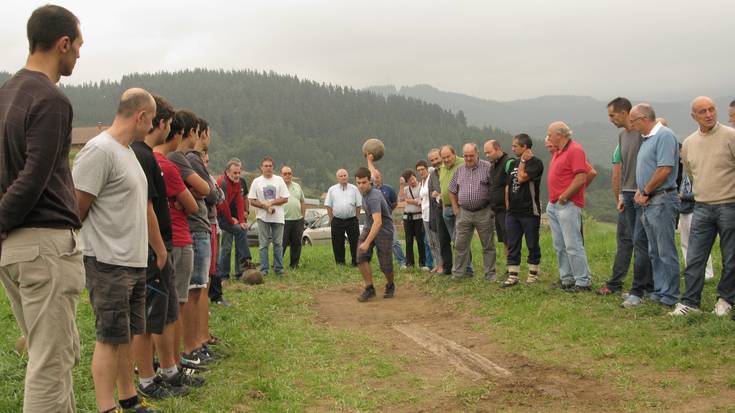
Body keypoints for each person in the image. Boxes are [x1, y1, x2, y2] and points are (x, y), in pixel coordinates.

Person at [0, 6, 84, 412]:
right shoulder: (51, 99)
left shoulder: (5, 95)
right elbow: (34, 178)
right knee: (50, 365)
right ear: (62, 43)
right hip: (43, 247)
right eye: (78, 45)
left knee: (55, 353)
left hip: (16, 250)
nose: (79, 55)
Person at [74, 88, 156, 413]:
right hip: (107, 262)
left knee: (126, 336)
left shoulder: (128, 152)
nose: (150, 127)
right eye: (150, 121)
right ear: (140, 117)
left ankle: (128, 398)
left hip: (132, 262)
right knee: (109, 338)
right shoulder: (99, 150)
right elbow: (76, 209)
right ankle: (106, 407)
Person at [131, 95, 196, 400]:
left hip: (162, 245)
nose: (170, 129)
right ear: (159, 123)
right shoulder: (142, 156)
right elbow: (146, 208)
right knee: (147, 319)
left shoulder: (147, 156)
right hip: (151, 249)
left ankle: (168, 371)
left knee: (167, 313)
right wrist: (158, 248)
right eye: (168, 123)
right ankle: (146, 378)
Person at [671, 97, 735, 316]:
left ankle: (725, 300)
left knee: (730, 257)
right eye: (702, 111)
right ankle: (690, 302)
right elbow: (690, 172)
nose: (708, 114)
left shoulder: (731, 136)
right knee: (695, 257)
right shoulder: (688, 143)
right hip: (702, 206)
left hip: (729, 205)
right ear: (694, 116)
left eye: (711, 109)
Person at [598, 97, 653, 298]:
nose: (611, 119)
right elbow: (623, 168)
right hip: (628, 193)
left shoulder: (642, 133)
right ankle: (637, 285)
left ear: (624, 112)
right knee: (628, 239)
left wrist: (645, 190)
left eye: (612, 115)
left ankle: (644, 288)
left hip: (642, 193)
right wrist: (621, 194)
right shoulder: (622, 136)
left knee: (641, 241)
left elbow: (660, 125)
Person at [628, 103, 680, 308]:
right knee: (654, 250)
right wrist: (641, 191)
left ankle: (671, 294)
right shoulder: (647, 139)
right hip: (649, 200)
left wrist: (647, 190)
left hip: (662, 199)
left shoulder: (665, 136)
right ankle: (660, 290)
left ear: (643, 118)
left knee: (665, 249)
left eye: (633, 121)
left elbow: (664, 169)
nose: (632, 125)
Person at [184, 117, 220, 362]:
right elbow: (213, 194)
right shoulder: (191, 159)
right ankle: (193, 345)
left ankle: (199, 341)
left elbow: (214, 192)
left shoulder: (194, 160)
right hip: (196, 228)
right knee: (195, 290)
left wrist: (209, 190)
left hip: (202, 227)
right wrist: (207, 190)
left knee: (201, 288)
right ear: (200, 133)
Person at [545, 123, 592, 292]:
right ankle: (567, 278)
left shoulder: (575, 150)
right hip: (554, 204)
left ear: (560, 135)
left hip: (567, 204)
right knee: (560, 245)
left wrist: (565, 196)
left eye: (550, 134)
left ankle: (582, 281)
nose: (548, 138)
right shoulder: (559, 151)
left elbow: (582, 177)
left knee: (573, 244)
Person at [448, 143, 497, 281]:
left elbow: (494, 188)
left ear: (477, 154)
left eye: (471, 156)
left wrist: (493, 209)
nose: (468, 158)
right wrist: (455, 208)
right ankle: (458, 274)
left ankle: (490, 275)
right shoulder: (459, 170)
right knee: (459, 245)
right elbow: (452, 190)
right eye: (466, 156)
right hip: (464, 213)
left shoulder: (487, 167)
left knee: (488, 245)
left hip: (484, 212)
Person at [503, 134, 544, 286]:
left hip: (529, 211)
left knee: (532, 243)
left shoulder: (536, 163)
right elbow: (508, 186)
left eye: (515, 146)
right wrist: (508, 208)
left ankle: (532, 275)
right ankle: (513, 276)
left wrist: (523, 161)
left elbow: (521, 178)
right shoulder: (512, 163)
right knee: (513, 243)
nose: (512, 148)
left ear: (524, 147)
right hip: (513, 212)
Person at [354, 167, 396, 302]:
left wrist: (367, 242)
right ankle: (369, 288)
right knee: (360, 257)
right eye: (358, 183)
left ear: (370, 181)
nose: (361, 185)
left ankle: (390, 284)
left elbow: (378, 222)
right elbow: (371, 170)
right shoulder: (365, 192)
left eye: (364, 182)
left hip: (383, 229)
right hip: (369, 226)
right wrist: (369, 159)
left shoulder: (373, 196)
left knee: (385, 265)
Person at [248, 156, 289, 275]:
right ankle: (264, 269)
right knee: (263, 244)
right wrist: (264, 206)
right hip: (262, 217)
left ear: (273, 167)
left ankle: (279, 269)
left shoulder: (279, 180)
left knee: (278, 244)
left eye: (270, 166)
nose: (268, 168)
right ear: (261, 167)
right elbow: (252, 200)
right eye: (266, 166)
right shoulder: (257, 181)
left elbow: (285, 198)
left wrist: (271, 202)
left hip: (278, 217)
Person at [367, 160, 408, 269]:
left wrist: (388, 212)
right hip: (375, 221)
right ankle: (383, 264)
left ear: (381, 177)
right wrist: (369, 161)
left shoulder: (389, 189)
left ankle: (402, 262)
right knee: (378, 244)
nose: (376, 178)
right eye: (374, 177)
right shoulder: (371, 190)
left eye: (378, 176)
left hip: (387, 220)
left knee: (394, 242)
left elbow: (395, 203)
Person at [439, 145, 472, 274]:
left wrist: (457, 207)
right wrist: (443, 206)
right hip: (446, 209)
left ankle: (467, 269)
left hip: (460, 208)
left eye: (448, 157)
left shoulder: (463, 163)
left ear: (454, 154)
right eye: (443, 158)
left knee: (461, 240)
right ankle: (461, 268)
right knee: (455, 241)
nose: (446, 160)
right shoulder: (442, 167)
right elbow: (443, 187)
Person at [215, 159, 250, 282]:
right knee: (226, 247)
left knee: (242, 230)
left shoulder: (238, 182)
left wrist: (241, 221)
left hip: (228, 216)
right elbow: (222, 205)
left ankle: (241, 270)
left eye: (239, 173)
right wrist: (231, 220)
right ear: (227, 172)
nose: (237, 176)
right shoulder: (222, 182)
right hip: (218, 215)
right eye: (235, 173)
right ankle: (224, 275)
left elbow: (240, 201)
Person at [324, 169, 361, 266]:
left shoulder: (354, 189)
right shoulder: (332, 189)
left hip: (352, 220)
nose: (343, 177)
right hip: (337, 220)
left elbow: (358, 205)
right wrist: (331, 219)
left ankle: (355, 262)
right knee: (337, 242)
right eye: (341, 176)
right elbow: (328, 205)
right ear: (337, 178)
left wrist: (356, 218)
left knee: (355, 242)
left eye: (345, 175)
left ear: (347, 177)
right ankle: (340, 263)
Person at [484, 140, 512, 260]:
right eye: (485, 153)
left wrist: (508, 206)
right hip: (497, 209)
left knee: (510, 238)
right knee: (505, 239)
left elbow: (510, 185)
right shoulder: (493, 165)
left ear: (498, 149)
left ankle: (513, 266)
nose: (487, 155)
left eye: (489, 152)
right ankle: (509, 266)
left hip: (506, 209)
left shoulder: (508, 162)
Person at [427, 149, 451, 274]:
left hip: (451, 208)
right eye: (432, 160)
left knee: (457, 239)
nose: (435, 162)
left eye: (436, 159)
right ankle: (447, 268)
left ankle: (463, 268)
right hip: (438, 210)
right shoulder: (432, 174)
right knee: (443, 240)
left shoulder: (449, 170)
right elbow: (431, 192)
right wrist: (434, 195)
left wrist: (441, 194)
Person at [398, 169, 426, 268]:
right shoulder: (405, 189)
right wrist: (401, 185)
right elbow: (401, 198)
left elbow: (420, 201)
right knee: (408, 241)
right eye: (409, 180)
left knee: (420, 240)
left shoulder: (422, 186)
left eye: (413, 178)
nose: (412, 181)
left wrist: (408, 200)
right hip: (408, 217)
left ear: (415, 176)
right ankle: (409, 263)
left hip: (419, 217)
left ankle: (423, 263)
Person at [418, 159, 441, 272]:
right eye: (419, 170)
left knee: (436, 241)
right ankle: (437, 264)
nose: (421, 172)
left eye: (422, 169)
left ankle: (442, 264)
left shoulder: (430, 179)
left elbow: (436, 191)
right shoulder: (421, 182)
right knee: (430, 241)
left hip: (432, 213)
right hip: (424, 214)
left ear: (426, 169)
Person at [281, 165, 306, 269]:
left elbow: (302, 201)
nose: (288, 175)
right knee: (281, 244)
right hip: (283, 220)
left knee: (296, 244)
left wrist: (302, 217)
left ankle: (294, 265)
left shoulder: (297, 186)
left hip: (297, 220)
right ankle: (278, 265)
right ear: (281, 175)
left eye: (289, 173)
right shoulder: (279, 187)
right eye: (285, 174)